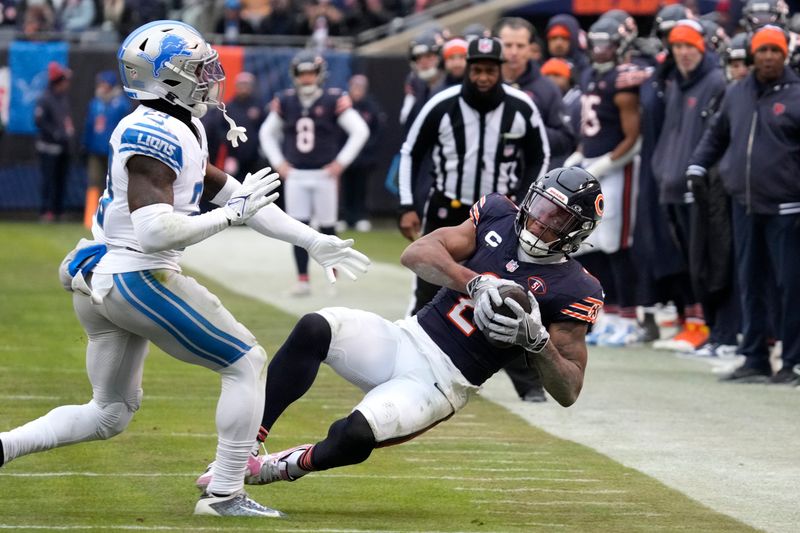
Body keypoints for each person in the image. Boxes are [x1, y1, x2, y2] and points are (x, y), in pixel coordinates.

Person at [0, 20, 370, 517]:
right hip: (137, 274)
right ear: (168, 77)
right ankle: (224, 493)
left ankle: (3, 447)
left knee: (109, 413)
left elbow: (240, 195)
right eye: (198, 68)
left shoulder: (177, 123)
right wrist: (226, 219)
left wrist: (313, 239)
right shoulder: (156, 131)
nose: (210, 76)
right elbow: (155, 231)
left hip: (104, 276)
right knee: (246, 361)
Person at [195, 167, 604, 490]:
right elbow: (417, 252)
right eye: (541, 207)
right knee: (316, 327)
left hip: (444, 382)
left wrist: (537, 341)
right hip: (407, 337)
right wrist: (475, 282)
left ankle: (277, 468)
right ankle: (245, 448)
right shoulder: (497, 214)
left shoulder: (576, 287)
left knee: (353, 434)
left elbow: (569, 390)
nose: (539, 222)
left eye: (557, 219)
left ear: (577, 230)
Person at [397, 36, 550, 316]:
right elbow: (410, 152)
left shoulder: (521, 106)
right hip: (447, 208)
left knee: (502, 291)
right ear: (467, 69)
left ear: (500, 70)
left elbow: (540, 156)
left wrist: (527, 204)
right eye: (477, 70)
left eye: (490, 71)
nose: (483, 77)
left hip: (500, 216)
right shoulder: (441, 104)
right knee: (429, 289)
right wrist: (407, 206)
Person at [687, 25, 800, 385]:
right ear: (752, 55)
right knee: (750, 282)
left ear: (785, 55)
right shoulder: (737, 93)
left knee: (789, 285)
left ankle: (793, 361)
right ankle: (755, 358)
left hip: (788, 208)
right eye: (762, 50)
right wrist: (697, 164)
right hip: (744, 204)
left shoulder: (797, 95)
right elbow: (716, 134)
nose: (768, 56)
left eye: (775, 51)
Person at [258, 50, 370, 297]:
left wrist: (340, 162)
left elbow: (360, 130)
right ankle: (303, 280)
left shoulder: (333, 99)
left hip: (324, 174)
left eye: (311, 73)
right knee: (298, 229)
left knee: (328, 228)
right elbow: (266, 133)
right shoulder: (286, 101)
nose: (307, 78)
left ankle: (334, 276)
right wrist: (279, 162)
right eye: (303, 73)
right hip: (297, 174)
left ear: (319, 74)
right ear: (295, 75)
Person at [650, 20, 727, 353]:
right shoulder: (676, 83)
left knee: (706, 263)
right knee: (686, 263)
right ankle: (698, 325)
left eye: (688, 46)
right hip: (670, 183)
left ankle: (711, 327)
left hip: (698, 188)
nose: (682, 53)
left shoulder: (714, 81)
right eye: (677, 46)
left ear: (702, 47)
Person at [566, 17, 643, 347]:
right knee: (591, 245)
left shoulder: (624, 80)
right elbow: (589, 129)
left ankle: (629, 317)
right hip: (593, 167)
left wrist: (603, 164)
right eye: (596, 44)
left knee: (616, 243)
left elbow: (634, 137)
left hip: (618, 170)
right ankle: (608, 313)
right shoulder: (588, 75)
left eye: (606, 44)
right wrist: (578, 157)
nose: (599, 52)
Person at [495, 17, 575, 165]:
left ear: (531, 48)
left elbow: (565, 140)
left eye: (520, 46)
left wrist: (529, 128)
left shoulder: (547, 88)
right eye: (508, 45)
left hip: (530, 175)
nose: (514, 52)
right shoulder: (485, 83)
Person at [82, 70, 131, 228]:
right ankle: (90, 217)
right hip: (96, 149)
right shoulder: (95, 102)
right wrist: (86, 143)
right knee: (93, 182)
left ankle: (111, 219)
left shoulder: (121, 103)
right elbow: (89, 125)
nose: (101, 86)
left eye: (104, 83)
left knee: (114, 184)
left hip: (114, 151)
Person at [338, 74, 386, 232]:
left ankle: (360, 217)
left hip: (364, 157)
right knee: (346, 188)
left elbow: (377, 133)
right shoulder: (344, 106)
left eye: (360, 88)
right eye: (354, 87)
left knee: (361, 189)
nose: (357, 91)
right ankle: (345, 217)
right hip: (345, 156)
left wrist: (366, 150)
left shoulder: (371, 107)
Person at [204, 71, 267, 183]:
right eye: (241, 85)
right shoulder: (228, 107)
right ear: (237, 86)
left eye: (247, 85)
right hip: (234, 156)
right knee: (235, 185)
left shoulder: (258, 106)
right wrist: (229, 140)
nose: (244, 88)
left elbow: (265, 129)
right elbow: (220, 129)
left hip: (255, 156)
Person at [35, 61, 74, 223]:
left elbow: (65, 119)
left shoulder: (63, 98)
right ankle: (46, 210)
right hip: (48, 148)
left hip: (63, 147)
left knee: (61, 180)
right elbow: (39, 122)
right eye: (65, 80)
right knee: (48, 180)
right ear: (59, 81)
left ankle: (58, 210)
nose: (67, 84)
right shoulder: (45, 99)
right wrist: (56, 133)